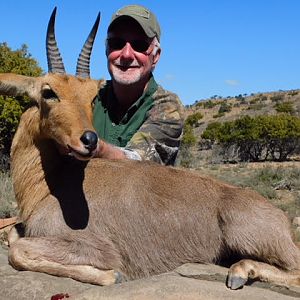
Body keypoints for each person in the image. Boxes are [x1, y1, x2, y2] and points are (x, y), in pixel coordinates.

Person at [93, 4, 184, 165]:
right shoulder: (91, 95)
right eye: (117, 43)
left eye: (140, 45)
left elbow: (137, 164)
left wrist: (95, 147)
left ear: (155, 56)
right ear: (107, 50)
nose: (126, 54)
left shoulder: (168, 108)